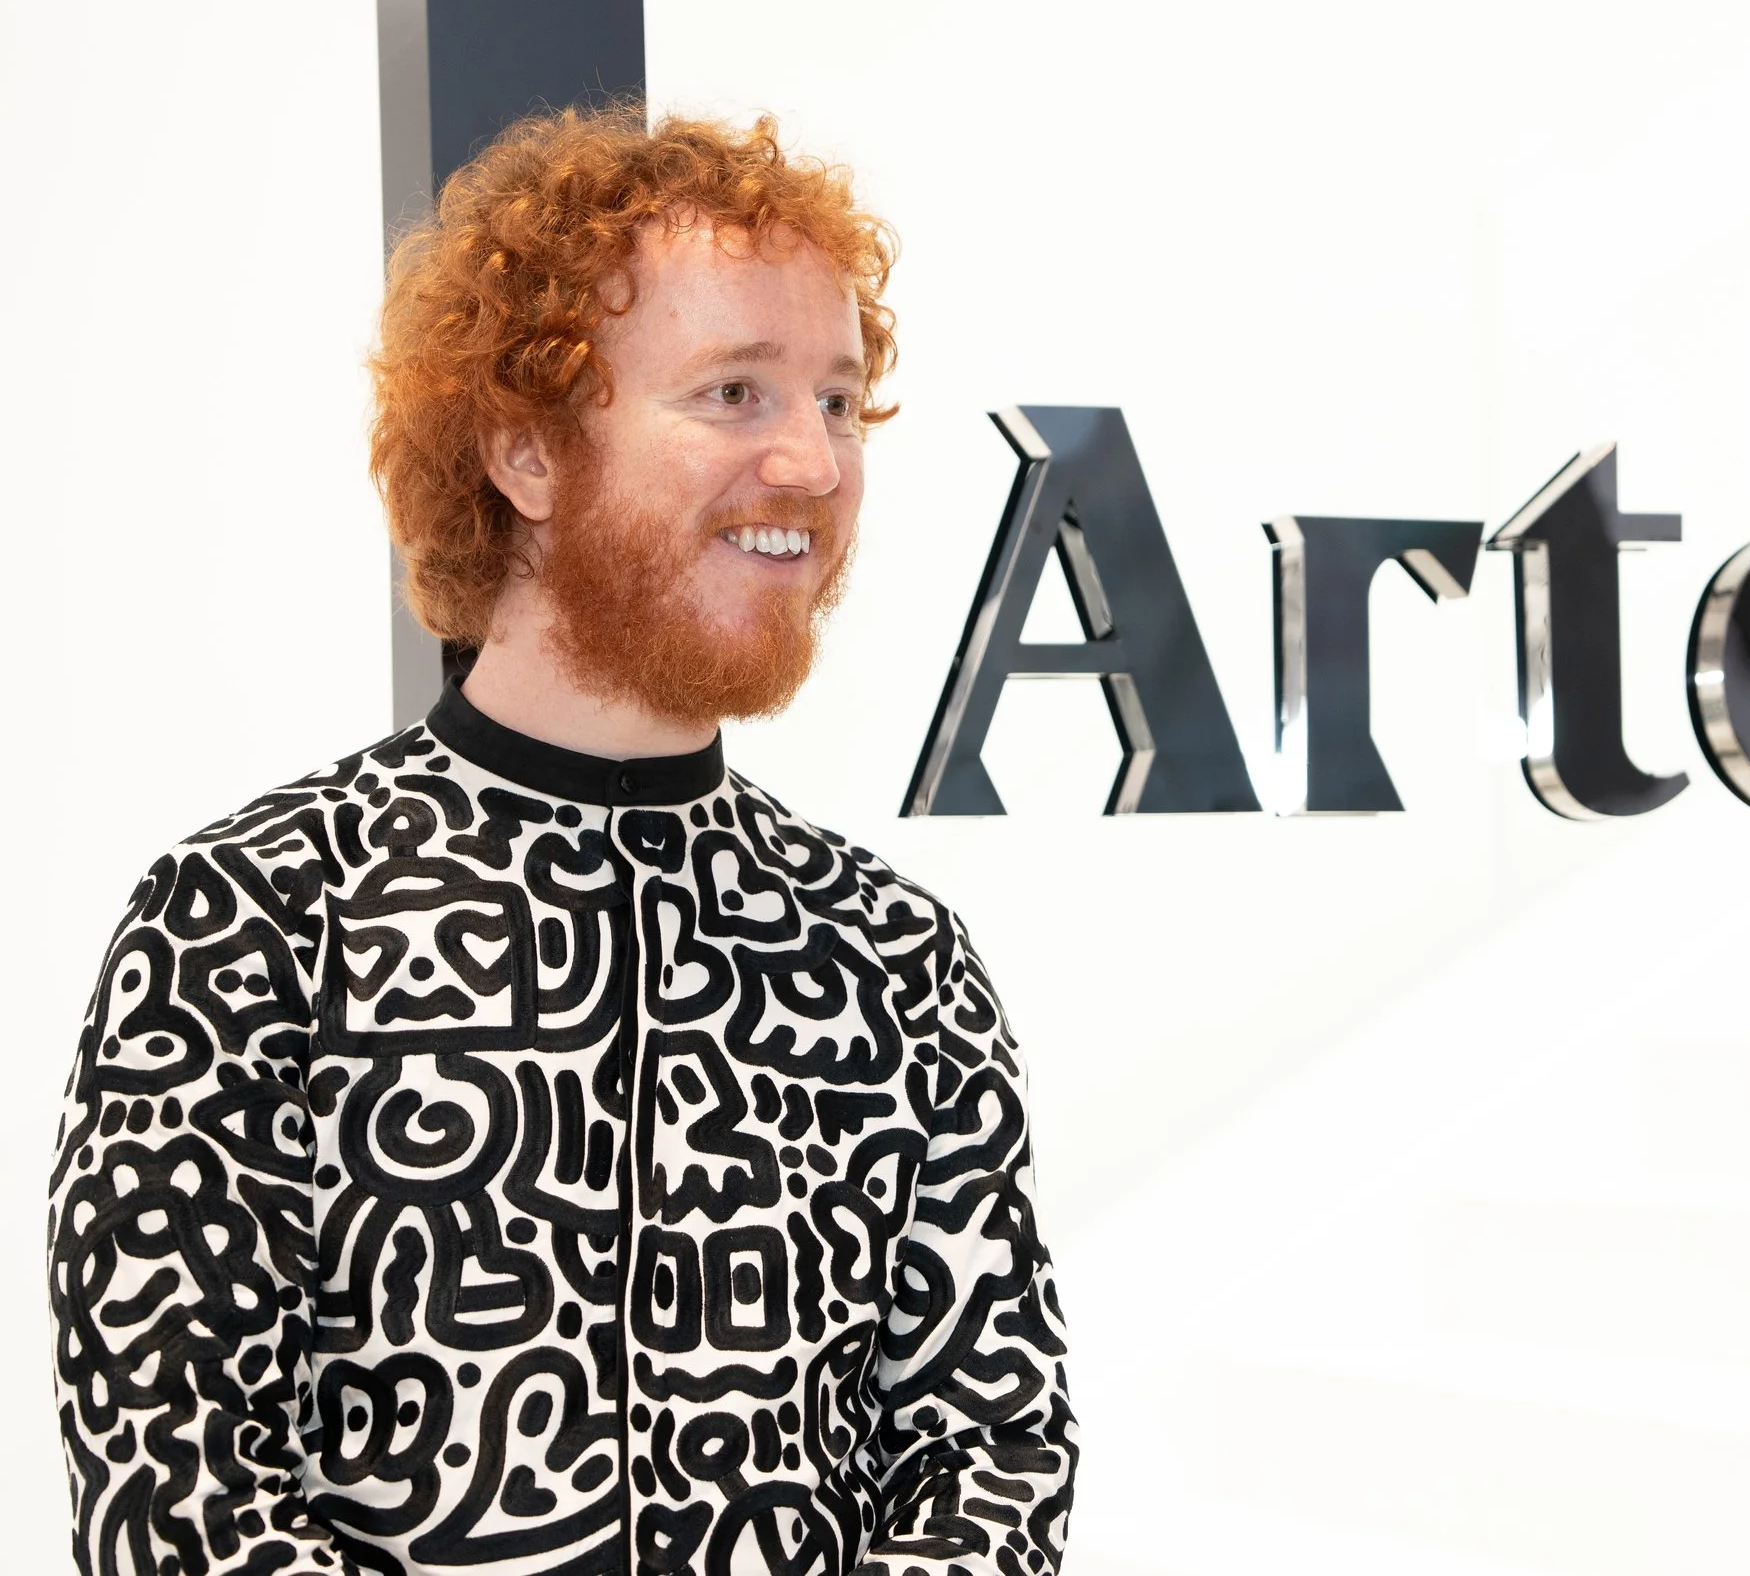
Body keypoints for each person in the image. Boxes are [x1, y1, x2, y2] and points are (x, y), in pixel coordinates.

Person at [46, 108, 1076, 1576]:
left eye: (839, 403)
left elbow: (990, 1461)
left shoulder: (892, 957)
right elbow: (180, 1494)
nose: (813, 464)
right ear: (525, 451)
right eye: (736, 391)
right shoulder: (249, 920)